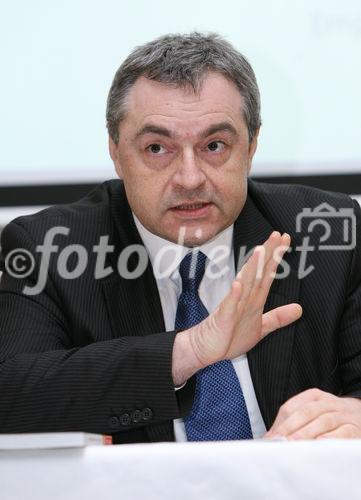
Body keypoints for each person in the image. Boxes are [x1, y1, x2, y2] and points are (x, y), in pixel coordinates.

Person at [0, 32, 361, 444]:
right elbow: (10, 394)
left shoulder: (330, 233)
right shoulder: (49, 246)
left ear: (252, 146)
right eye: (157, 148)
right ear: (116, 153)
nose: (190, 179)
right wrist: (189, 350)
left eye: (214, 145)